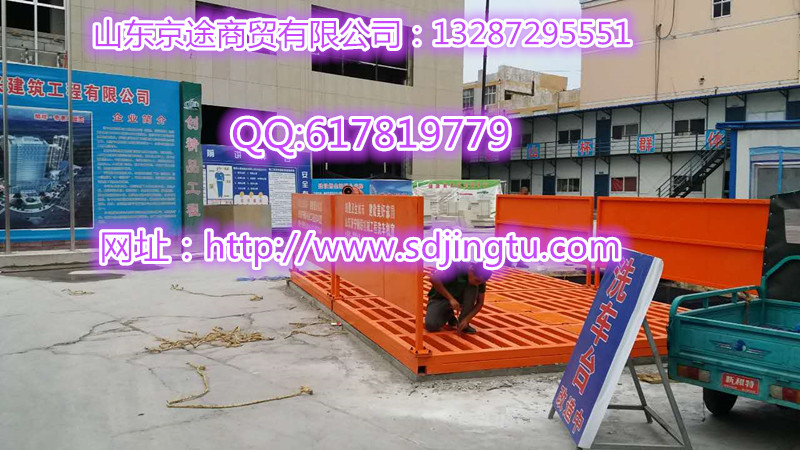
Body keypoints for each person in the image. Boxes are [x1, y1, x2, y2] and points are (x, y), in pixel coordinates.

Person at [425, 262, 493, 335]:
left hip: (459, 299)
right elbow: (433, 279)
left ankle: (462, 322)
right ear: (471, 271)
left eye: (480, 283)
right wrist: (451, 299)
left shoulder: (480, 279)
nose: (478, 284)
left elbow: (480, 303)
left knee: (473, 287)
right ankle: (448, 314)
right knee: (431, 325)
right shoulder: (455, 267)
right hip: (441, 298)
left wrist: (466, 319)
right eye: (477, 281)